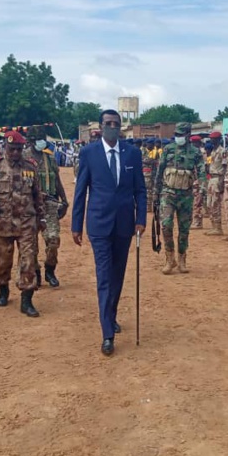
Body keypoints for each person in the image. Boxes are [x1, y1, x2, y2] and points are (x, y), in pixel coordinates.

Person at [71, 109, 146, 356]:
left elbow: (140, 190)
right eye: (108, 123)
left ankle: (110, 315)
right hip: (99, 225)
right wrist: (76, 224)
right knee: (104, 277)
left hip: (125, 225)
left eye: (116, 123)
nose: (112, 126)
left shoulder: (132, 153)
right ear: (101, 126)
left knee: (117, 276)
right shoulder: (89, 153)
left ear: (121, 126)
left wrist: (141, 218)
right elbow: (81, 190)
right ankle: (107, 334)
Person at [0, 130, 44, 316]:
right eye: (12, 149)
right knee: (3, 261)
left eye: (18, 149)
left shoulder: (30, 167)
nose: (15, 152)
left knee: (28, 260)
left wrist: (41, 218)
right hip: (3, 224)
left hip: (26, 224)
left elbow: (37, 196)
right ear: (5, 147)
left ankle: (27, 299)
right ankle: (3, 288)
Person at [155, 122, 205, 272]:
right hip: (168, 194)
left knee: (184, 229)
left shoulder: (196, 152)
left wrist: (202, 190)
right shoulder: (168, 149)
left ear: (188, 135)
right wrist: (156, 193)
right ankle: (170, 259)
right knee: (166, 226)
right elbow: (160, 170)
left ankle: (182, 258)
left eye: (181, 134)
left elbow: (202, 172)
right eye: (176, 134)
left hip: (186, 196)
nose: (178, 137)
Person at [27, 126, 69, 288]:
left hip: (50, 204)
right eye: (38, 139)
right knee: (32, 244)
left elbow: (56, 180)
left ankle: (50, 271)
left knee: (53, 239)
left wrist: (64, 200)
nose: (41, 142)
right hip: (29, 206)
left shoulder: (49, 158)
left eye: (42, 139)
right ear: (30, 141)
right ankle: (36, 273)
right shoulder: (23, 158)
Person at [205, 131, 227, 237]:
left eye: (213, 139)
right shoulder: (213, 151)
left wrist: (222, 182)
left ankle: (218, 227)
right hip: (211, 179)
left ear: (218, 139)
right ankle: (213, 226)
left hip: (218, 179)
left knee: (215, 203)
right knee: (209, 203)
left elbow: (225, 167)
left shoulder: (222, 151)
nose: (211, 141)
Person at [190, 135, 207, 229]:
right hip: (194, 179)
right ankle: (196, 221)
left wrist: (202, 183)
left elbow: (202, 169)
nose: (192, 144)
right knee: (195, 202)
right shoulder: (194, 152)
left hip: (199, 180)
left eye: (194, 143)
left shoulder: (201, 153)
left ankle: (197, 222)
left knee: (198, 201)